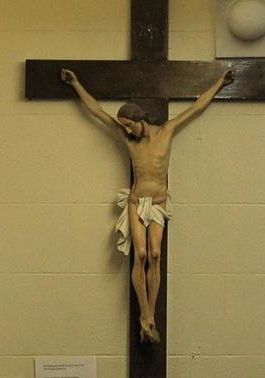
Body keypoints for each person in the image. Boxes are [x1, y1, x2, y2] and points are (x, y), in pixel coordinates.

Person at [60, 67, 234, 343]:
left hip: (159, 203)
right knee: (140, 254)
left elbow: (196, 107)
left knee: (155, 254)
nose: (127, 130)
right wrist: (77, 84)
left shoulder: (167, 131)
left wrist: (220, 83)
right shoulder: (128, 141)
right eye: (125, 127)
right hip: (136, 201)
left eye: (130, 125)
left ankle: (150, 316)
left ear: (140, 119)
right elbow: (97, 113)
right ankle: (145, 314)